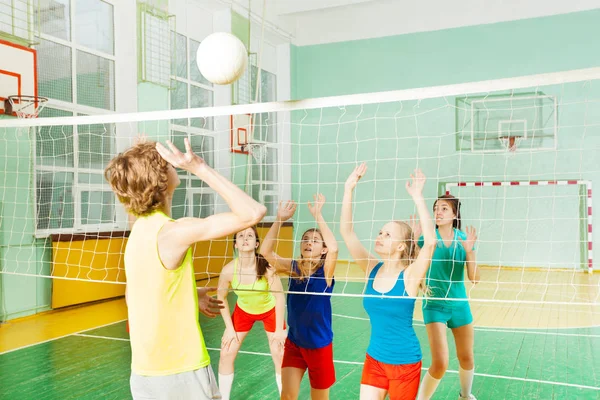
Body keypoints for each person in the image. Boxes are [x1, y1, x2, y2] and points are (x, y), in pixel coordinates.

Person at [105, 138, 266, 399]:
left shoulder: (137, 231)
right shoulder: (173, 233)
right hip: (179, 371)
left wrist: (191, 292)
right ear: (161, 180)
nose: (173, 166)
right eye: (167, 165)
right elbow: (253, 212)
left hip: (145, 371)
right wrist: (198, 166)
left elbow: (141, 289)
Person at [340, 164, 436, 400]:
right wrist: (348, 189)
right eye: (380, 232)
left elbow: (431, 243)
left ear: (402, 246)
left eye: (387, 235)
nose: (380, 237)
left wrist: (417, 197)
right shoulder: (372, 268)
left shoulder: (410, 276)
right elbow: (347, 232)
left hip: (405, 364)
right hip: (374, 360)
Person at [260, 194, 338, 400]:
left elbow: (336, 248)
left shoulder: (326, 273)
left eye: (314, 241)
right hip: (294, 343)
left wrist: (318, 215)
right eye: (305, 240)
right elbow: (265, 251)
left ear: (324, 250)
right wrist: (279, 219)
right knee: (287, 396)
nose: (308, 243)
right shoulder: (294, 268)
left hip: (319, 346)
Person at [414, 194, 479, 400]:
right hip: (434, 305)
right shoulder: (427, 237)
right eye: (436, 208)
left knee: (467, 357)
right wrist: (415, 244)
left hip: (459, 305)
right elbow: (416, 269)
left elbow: (475, 278)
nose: (438, 212)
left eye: (444, 208)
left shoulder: (463, 239)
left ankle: (465, 395)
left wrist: (470, 252)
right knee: (440, 363)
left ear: (454, 214)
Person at [217, 226, 287, 399]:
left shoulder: (267, 269)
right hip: (244, 311)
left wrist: (279, 330)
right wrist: (229, 328)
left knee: (280, 352)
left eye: (250, 235)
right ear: (235, 245)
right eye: (240, 236)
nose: (245, 238)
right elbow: (221, 298)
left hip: (269, 310)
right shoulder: (227, 271)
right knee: (226, 352)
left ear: (256, 243)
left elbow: (279, 298)